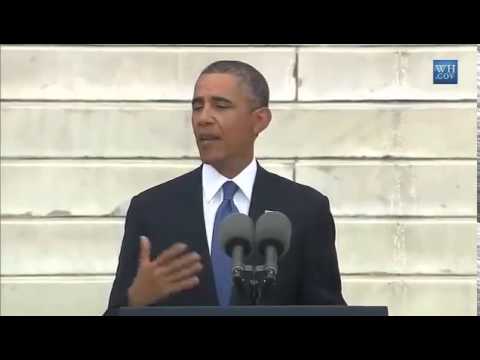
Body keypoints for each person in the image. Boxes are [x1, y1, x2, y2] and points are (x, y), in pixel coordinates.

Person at [105, 60, 346, 314]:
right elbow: (113, 312)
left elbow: (328, 309)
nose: (203, 118)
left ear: (259, 120)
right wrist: (134, 301)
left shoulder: (305, 210)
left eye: (220, 106)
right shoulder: (151, 209)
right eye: (197, 107)